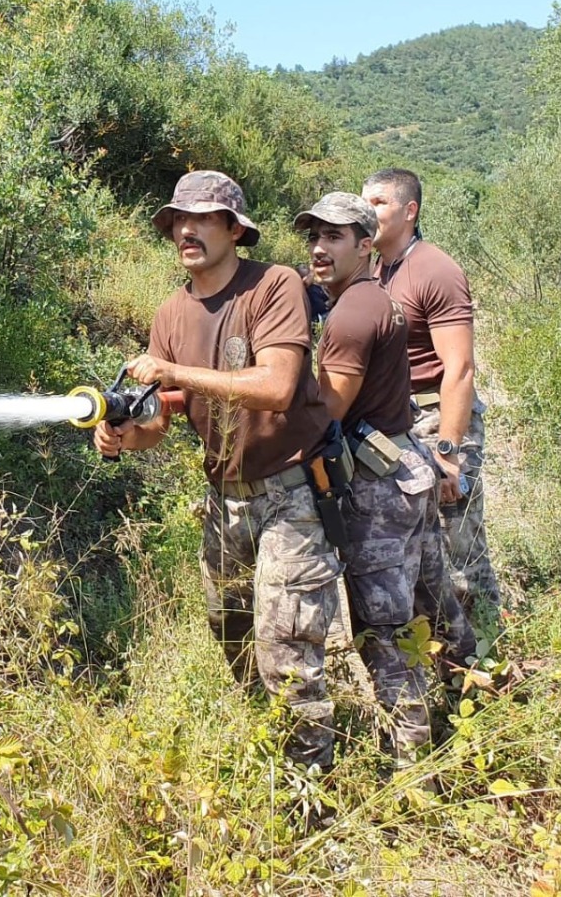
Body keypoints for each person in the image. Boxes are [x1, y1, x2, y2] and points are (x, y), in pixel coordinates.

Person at [96, 170, 342, 771]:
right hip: (223, 500)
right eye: (178, 220)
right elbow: (159, 422)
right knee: (229, 632)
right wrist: (125, 436)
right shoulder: (170, 316)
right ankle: (267, 752)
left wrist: (176, 374)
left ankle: (310, 789)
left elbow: (279, 386)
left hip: (291, 493)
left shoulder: (274, 286)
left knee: (284, 649)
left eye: (203, 219)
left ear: (235, 229)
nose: (186, 229)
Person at [296, 192, 440, 764]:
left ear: (365, 244)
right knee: (419, 616)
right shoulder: (370, 299)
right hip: (404, 472)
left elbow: (328, 409)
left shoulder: (354, 312)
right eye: (314, 236)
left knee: (384, 634)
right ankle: (453, 712)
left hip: (377, 492)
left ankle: (411, 768)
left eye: (334, 237)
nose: (319, 248)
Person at [363, 168, 503, 652]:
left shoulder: (435, 270)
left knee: (459, 547)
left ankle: (485, 654)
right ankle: (439, 656)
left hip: (436, 415)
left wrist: (449, 450)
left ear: (410, 211)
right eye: (365, 202)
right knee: (416, 551)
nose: (369, 211)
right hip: (395, 424)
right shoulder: (377, 269)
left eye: (379, 203)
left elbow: (460, 368)